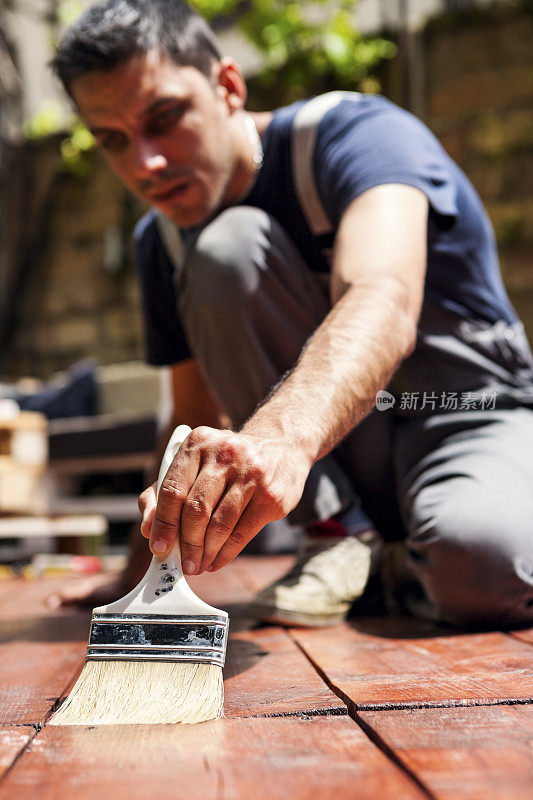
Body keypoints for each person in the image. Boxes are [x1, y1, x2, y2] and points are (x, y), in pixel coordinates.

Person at [48, 0, 533, 628]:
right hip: (343, 464)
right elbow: (193, 418)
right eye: (112, 140)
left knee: (484, 569)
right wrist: (136, 573)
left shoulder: (359, 138)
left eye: (164, 118)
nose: (145, 164)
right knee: (224, 252)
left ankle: (408, 562)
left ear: (228, 85)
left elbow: (383, 294)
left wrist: (279, 440)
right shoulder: (163, 242)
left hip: (466, 416)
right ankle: (340, 537)